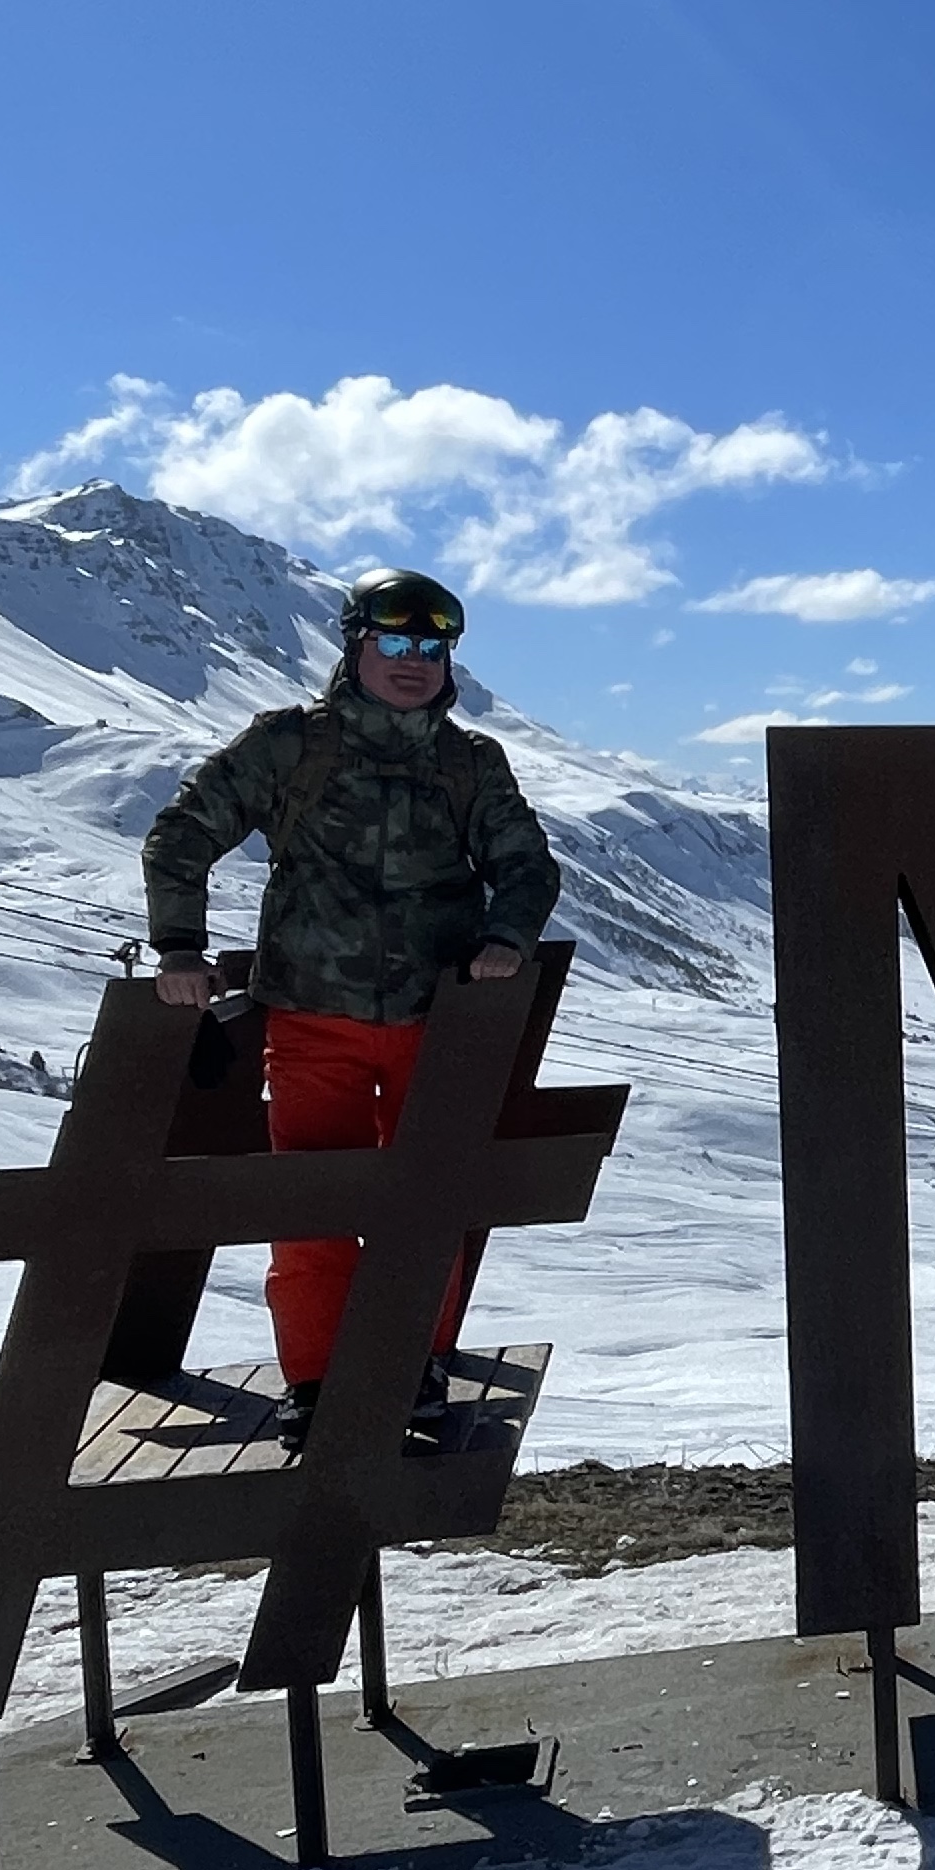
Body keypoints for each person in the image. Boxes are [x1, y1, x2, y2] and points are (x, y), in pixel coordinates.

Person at [143, 568, 560, 1449]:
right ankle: (317, 1381)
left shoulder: (470, 762)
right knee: (310, 1203)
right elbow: (183, 833)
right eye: (395, 641)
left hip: (438, 1021)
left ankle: (414, 1370)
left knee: (430, 1203)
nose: (414, 661)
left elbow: (527, 865)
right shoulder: (289, 745)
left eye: (432, 647)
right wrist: (178, 946)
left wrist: (507, 937)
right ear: (355, 646)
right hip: (310, 1017)